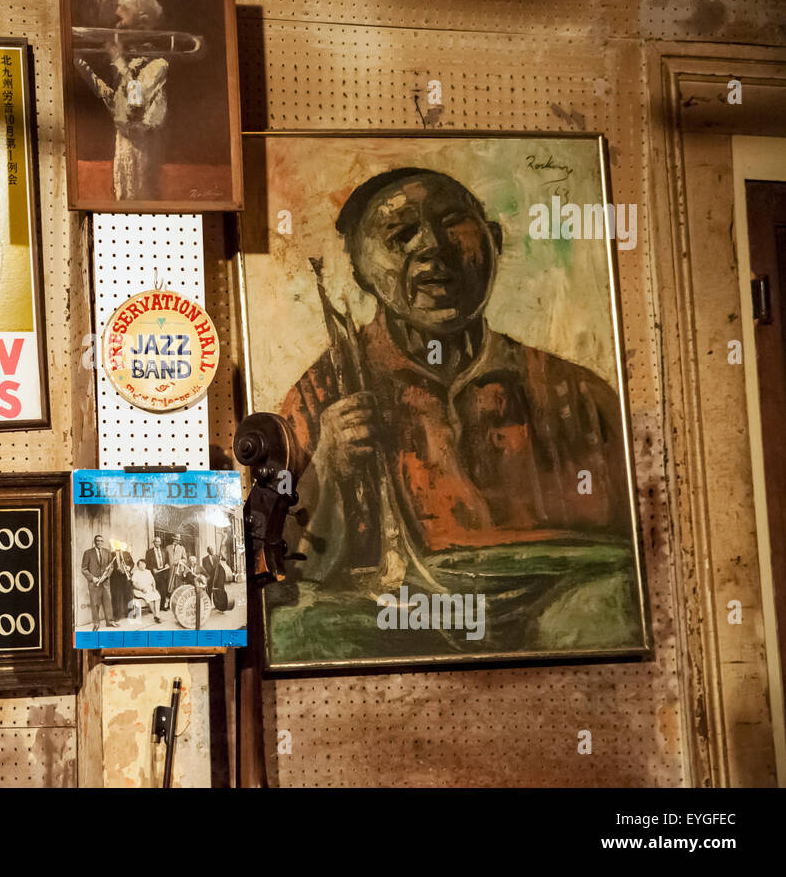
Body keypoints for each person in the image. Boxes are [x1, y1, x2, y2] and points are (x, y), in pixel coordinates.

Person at [274, 167, 642, 653]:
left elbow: (637, 554)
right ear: (362, 272)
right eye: (400, 235)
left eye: (452, 224)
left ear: (492, 241)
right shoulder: (320, 396)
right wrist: (326, 466)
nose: (431, 246)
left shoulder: (578, 394)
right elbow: (282, 571)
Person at [73, 0, 170, 201]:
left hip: (141, 146)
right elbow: (112, 100)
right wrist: (79, 65)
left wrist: (117, 60)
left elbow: (134, 101)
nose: (115, 28)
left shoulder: (157, 65)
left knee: (140, 197)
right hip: (124, 141)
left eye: (121, 21)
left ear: (143, 23)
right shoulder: (127, 65)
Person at [81, 535, 115, 629]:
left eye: (101, 541)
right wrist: (92, 578)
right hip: (94, 583)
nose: (99, 542)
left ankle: (110, 622)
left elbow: (111, 567)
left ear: (103, 542)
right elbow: (84, 569)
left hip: (105, 582)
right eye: (97, 541)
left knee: (108, 602)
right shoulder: (88, 553)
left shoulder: (107, 552)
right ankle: (96, 623)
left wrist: (106, 576)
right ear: (94, 542)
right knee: (95, 603)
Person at [109, 541, 134, 622]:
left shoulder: (127, 553)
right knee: (116, 597)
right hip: (115, 578)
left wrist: (129, 567)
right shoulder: (111, 554)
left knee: (129, 595)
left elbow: (132, 563)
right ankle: (116, 616)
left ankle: (130, 613)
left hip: (126, 578)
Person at [145, 534, 171, 610]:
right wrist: (152, 569)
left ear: (160, 542)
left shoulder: (164, 551)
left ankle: (162, 606)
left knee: (163, 590)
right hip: (154, 573)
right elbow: (147, 563)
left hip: (163, 573)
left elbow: (167, 561)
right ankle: (153, 608)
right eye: (156, 541)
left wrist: (166, 565)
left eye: (159, 541)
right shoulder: (149, 552)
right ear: (154, 542)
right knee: (154, 590)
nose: (157, 543)